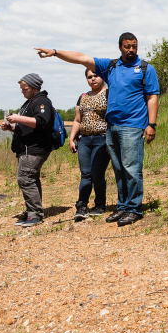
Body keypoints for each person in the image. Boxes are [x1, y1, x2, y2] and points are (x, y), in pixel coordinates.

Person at [35, 32, 160, 227]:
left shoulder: (145, 68)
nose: (131, 50)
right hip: (113, 127)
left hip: (133, 125)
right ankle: (123, 206)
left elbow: (152, 97)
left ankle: (134, 208)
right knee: (119, 169)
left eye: (134, 46)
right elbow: (82, 58)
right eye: (127, 46)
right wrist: (55, 52)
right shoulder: (110, 67)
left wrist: (151, 124)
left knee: (132, 168)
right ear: (120, 47)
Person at [1, 73, 55, 228]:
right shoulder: (29, 103)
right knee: (31, 179)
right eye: (21, 88)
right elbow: (26, 127)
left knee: (25, 179)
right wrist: (11, 127)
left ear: (33, 87)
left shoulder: (42, 101)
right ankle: (33, 211)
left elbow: (42, 123)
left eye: (24, 88)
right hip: (26, 148)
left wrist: (17, 119)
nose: (22, 91)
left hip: (35, 149)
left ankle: (35, 214)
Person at [68, 68, 110, 221]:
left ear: (102, 77)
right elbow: (77, 120)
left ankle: (100, 204)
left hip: (102, 138)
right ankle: (82, 206)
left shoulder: (109, 94)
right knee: (85, 174)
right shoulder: (83, 97)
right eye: (89, 77)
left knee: (97, 174)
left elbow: (113, 119)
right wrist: (72, 138)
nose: (93, 79)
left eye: (95, 76)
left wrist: (110, 141)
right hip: (84, 140)